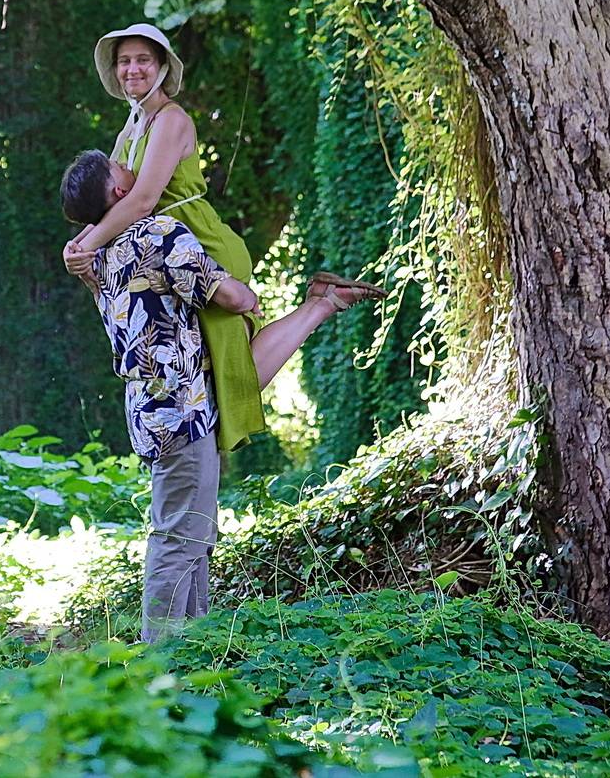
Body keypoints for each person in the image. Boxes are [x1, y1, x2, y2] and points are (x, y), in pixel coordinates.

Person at [59, 149, 379, 639]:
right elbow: (231, 296)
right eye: (121, 166)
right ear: (121, 191)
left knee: (193, 531)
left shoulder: (97, 256)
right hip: (181, 411)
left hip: (150, 412)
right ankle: (162, 655)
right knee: (178, 534)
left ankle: (194, 644)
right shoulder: (156, 234)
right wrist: (247, 297)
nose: (132, 165)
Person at [63, 23, 381, 455]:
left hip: (200, 244)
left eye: (142, 60)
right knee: (213, 370)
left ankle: (320, 305)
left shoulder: (170, 119)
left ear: (162, 67)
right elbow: (110, 201)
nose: (132, 69)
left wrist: (87, 247)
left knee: (231, 371)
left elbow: (141, 199)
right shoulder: (131, 127)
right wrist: (76, 246)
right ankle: (322, 301)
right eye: (124, 61)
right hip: (170, 254)